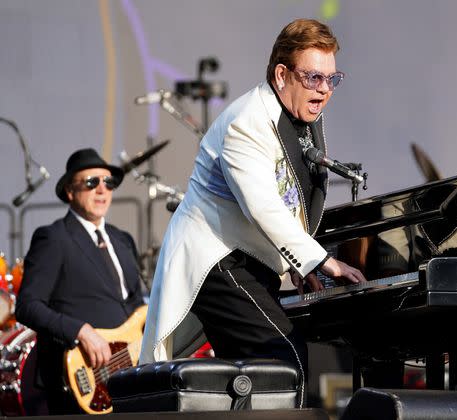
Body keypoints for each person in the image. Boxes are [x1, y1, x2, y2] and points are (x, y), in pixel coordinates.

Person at [140, 18, 366, 405]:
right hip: (216, 258)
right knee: (283, 358)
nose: (325, 90)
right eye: (314, 78)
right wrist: (320, 261)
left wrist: (297, 261)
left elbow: (289, 199)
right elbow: (262, 206)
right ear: (282, 74)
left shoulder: (300, 118)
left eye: (332, 79)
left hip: (245, 259)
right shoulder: (246, 122)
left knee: (255, 372)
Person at [15, 148, 145, 415]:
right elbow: (27, 306)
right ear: (70, 192)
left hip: (127, 375)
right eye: (91, 183)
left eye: (108, 183)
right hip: (78, 377)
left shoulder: (122, 239)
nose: (101, 190)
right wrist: (80, 331)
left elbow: (134, 306)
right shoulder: (53, 238)